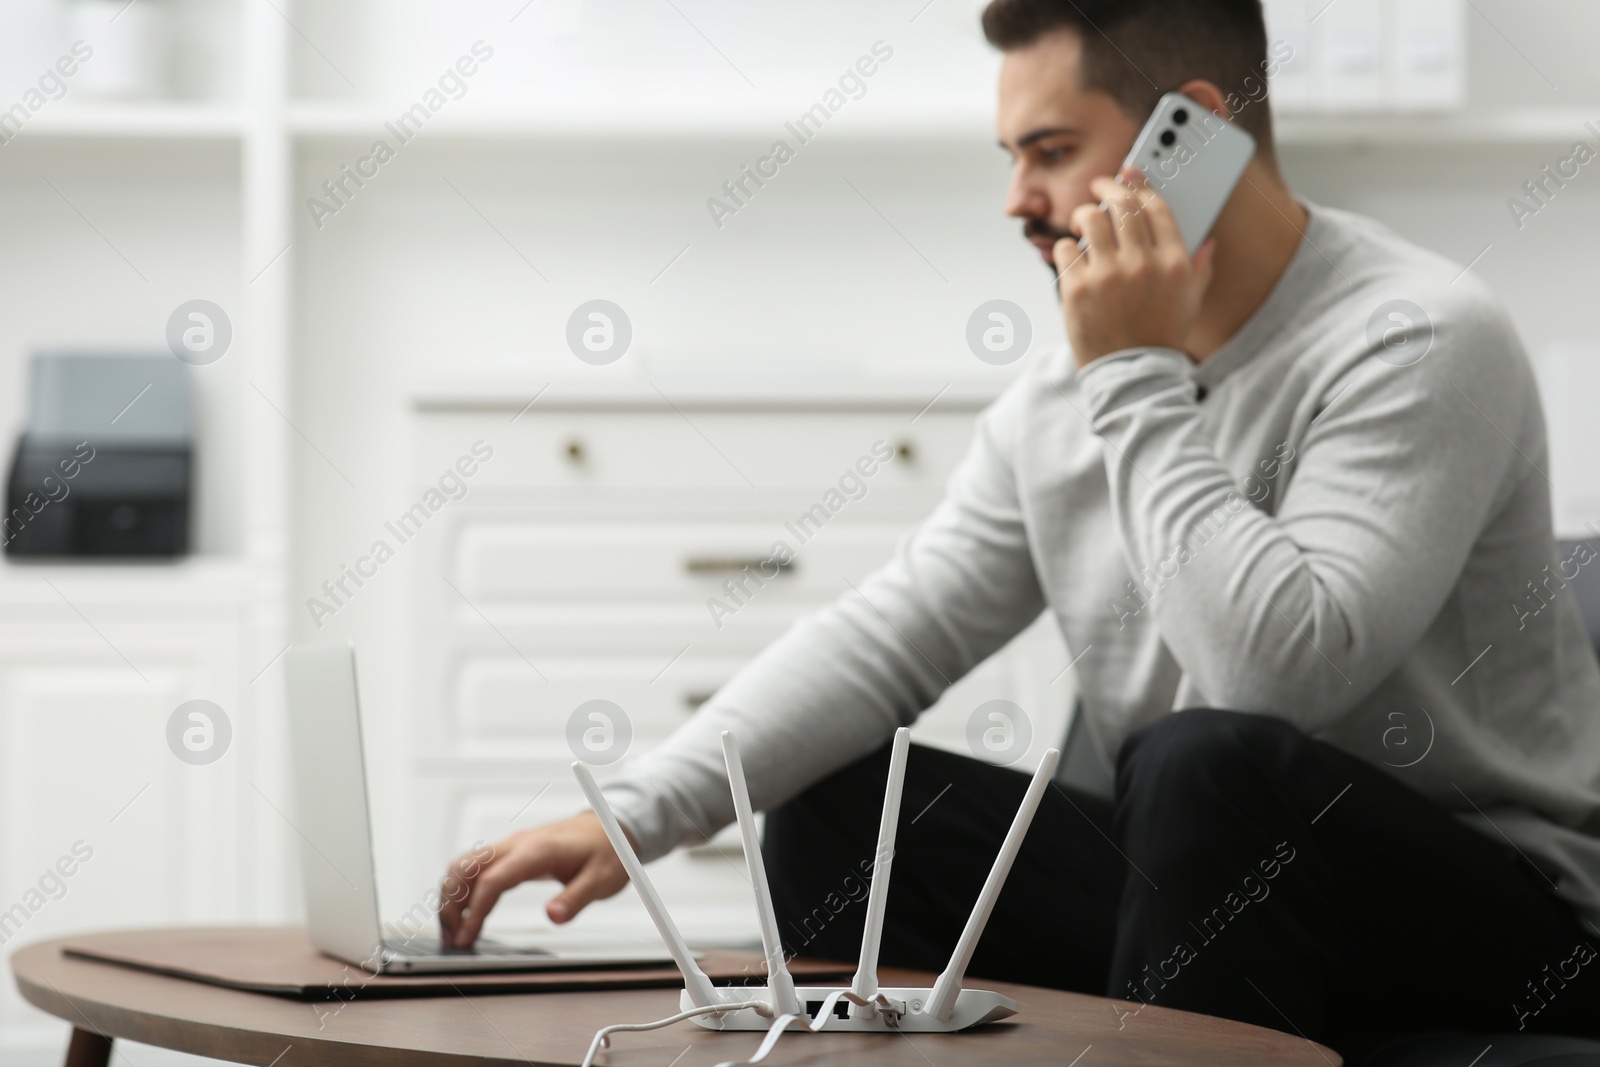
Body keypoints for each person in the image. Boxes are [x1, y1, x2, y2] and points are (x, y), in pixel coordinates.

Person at [439, 0, 1600, 1057]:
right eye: (1011, 157)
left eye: (1051, 152)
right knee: (838, 808)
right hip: (1210, 890)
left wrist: (1139, 372)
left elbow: (1269, 675)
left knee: (1203, 759)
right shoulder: (1069, 395)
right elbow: (895, 628)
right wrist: (635, 814)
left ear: (1188, 135)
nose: (1015, 200)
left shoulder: (1416, 337)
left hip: (1501, 923)